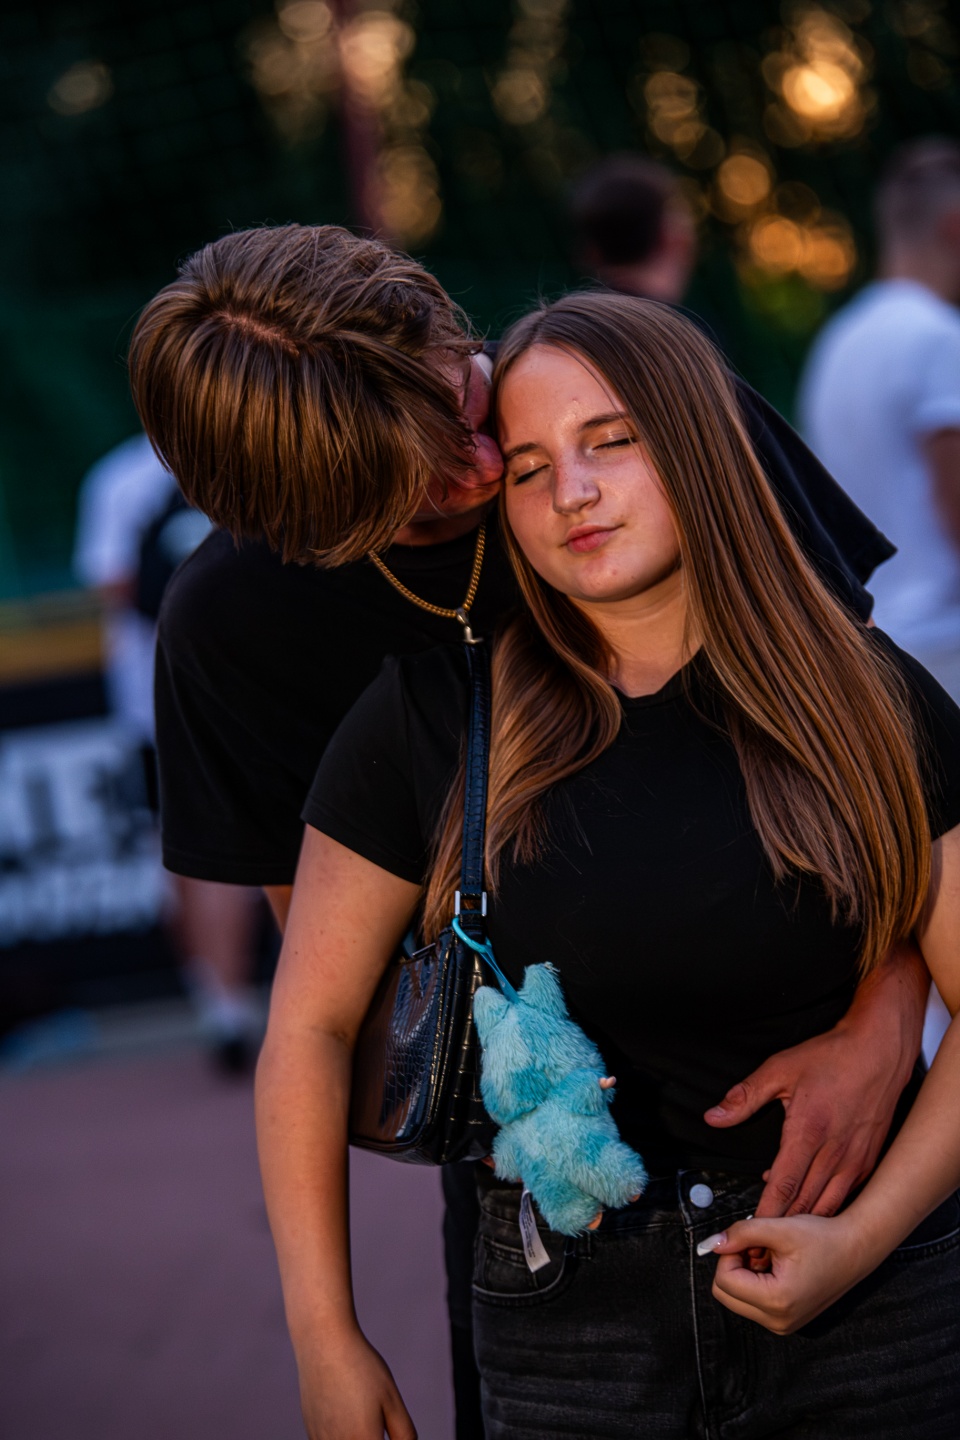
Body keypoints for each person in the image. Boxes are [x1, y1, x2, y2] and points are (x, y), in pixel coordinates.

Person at [129, 225, 928, 1435]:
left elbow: (875, 748)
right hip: (547, 1222)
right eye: (414, 473)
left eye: (463, 398)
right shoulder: (235, 626)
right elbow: (345, 1002)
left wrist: (887, 1020)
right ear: (301, 517)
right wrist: (329, 1325)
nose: (483, 461)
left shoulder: (614, 406)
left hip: (829, 1139)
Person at [799, 136, 960, 1060]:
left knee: (917, 888)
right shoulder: (935, 340)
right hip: (947, 642)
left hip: (873, 643)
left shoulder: (841, 341)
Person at [74, 434, 262, 1072]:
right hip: (165, 700)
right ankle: (224, 1000)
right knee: (191, 855)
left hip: (229, 691)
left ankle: (232, 1003)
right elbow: (118, 585)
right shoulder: (126, 478)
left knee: (223, 852)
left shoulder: (241, 446)